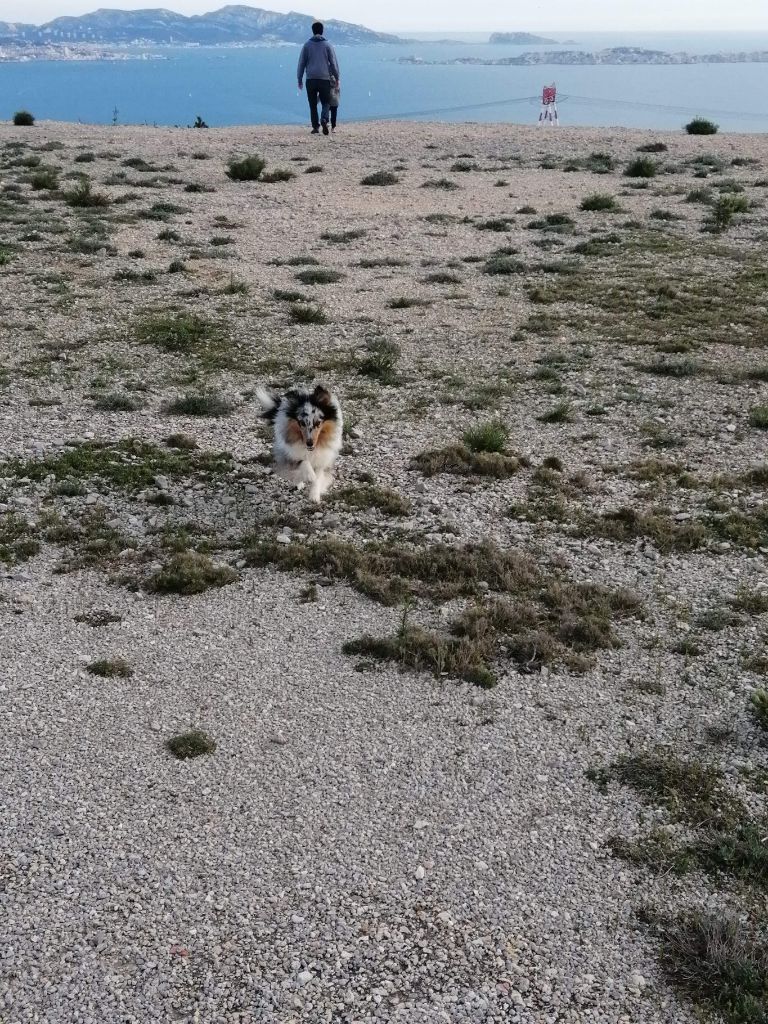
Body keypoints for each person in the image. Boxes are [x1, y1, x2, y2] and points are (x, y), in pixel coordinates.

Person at [296, 21, 340, 136]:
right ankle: (324, 119)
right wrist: (337, 77)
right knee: (326, 102)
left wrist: (299, 79)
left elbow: (301, 63)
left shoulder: (306, 45)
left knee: (312, 104)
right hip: (324, 79)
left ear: (313, 31)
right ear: (322, 31)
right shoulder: (327, 45)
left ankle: (315, 127)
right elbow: (334, 63)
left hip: (310, 79)